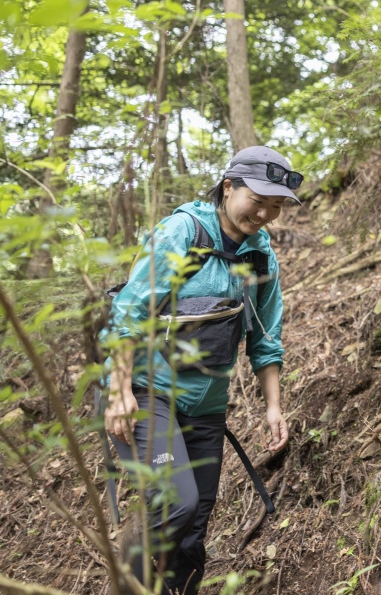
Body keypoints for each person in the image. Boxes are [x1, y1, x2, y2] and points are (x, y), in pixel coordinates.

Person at [102, 146, 299, 593]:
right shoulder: (183, 232)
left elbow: (265, 339)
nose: (266, 213)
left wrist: (273, 408)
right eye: (258, 199)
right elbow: (129, 313)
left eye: (276, 205)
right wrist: (118, 390)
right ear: (228, 187)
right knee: (175, 503)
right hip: (146, 389)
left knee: (193, 529)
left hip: (206, 403)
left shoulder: (260, 255)